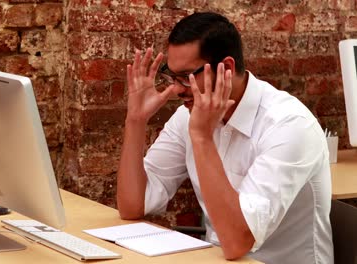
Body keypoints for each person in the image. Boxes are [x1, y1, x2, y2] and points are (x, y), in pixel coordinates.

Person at [116, 11, 333, 263]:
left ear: (227, 68)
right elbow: (133, 206)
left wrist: (202, 137)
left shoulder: (289, 125)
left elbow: (236, 242)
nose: (176, 89)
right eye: (171, 76)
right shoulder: (187, 116)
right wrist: (135, 121)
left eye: (186, 77)